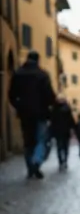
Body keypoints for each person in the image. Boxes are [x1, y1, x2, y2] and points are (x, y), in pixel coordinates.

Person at [7, 50, 56, 179]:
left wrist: (19, 106)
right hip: (40, 114)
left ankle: (31, 168)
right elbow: (50, 96)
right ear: (38, 60)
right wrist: (49, 107)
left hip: (24, 114)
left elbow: (11, 95)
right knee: (40, 140)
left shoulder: (18, 74)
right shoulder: (42, 75)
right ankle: (36, 163)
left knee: (28, 142)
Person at [49, 95, 76, 171]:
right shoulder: (66, 108)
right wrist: (73, 128)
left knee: (61, 148)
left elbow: (52, 121)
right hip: (63, 131)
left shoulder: (55, 109)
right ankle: (63, 162)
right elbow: (71, 120)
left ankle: (62, 162)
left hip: (60, 132)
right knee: (63, 147)